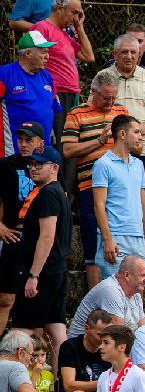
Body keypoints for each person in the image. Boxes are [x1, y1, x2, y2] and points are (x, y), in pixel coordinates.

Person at [60, 73, 129, 286]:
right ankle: (95, 301)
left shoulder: (121, 111)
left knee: (121, 242)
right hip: (90, 185)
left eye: (113, 98)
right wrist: (100, 141)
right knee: (92, 243)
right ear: (93, 92)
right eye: (105, 98)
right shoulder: (77, 113)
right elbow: (68, 150)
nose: (110, 103)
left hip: (119, 188)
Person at [9, 147, 71, 357]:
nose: (33, 168)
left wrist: (33, 275)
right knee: (56, 330)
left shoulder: (47, 194)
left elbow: (47, 236)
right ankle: (62, 383)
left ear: (54, 168)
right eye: (32, 164)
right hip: (57, 270)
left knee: (20, 330)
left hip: (43, 272)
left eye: (39, 164)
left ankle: (11, 385)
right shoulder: (58, 191)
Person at [100, 33, 145, 198]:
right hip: (112, 150)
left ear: (139, 54)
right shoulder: (104, 77)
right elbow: (94, 109)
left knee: (144, 198)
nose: (129, 56)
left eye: (133, 52)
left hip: (144, 149)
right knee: (113, 197)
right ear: (115, 54)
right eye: (124, 52)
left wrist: (142, 128)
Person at [90, 114, 145, 282]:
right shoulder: (103, 164)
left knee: (139, 291)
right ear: (122, 135)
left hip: (138, 238)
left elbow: (144, 205)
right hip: (116, 237)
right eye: (136, 132)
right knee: (115, 292)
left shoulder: (138, 164)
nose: (141, 136)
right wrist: (108, 240)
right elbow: (98, 204)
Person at [0, 121, 42, 331]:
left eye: (29, 140)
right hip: (14, 235)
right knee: (5, 298)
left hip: (39, 237)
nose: (23, 144)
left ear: (40, 142)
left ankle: (36, 355)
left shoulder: (49, 164)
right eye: (20, 140)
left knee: (37, 301)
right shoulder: (6, 165)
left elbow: (60, 198)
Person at [30, 0, 93, 124]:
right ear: (59, 9)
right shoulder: (42, 28)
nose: (76, 17)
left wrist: (79, 27)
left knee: (68, 137)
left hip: (71, 92)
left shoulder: (64, 35)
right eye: (73, 12)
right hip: (55, 92)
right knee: (58, 137)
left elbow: (88, 56)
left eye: (78, 14)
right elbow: (32, 61)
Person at [0, 33, 60, 157]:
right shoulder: (4, 74)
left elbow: (53, 109)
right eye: (43, 52)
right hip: (13, 153)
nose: (47, 56)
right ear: (28, 54)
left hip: (43, 154)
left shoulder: (47, 76)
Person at [68, 257, 145, 338]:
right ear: (127, 275)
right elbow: (119, 336)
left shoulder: (135, 293)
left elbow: (142, 332)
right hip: (82, 347)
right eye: (143, 275)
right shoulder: (111, 290)